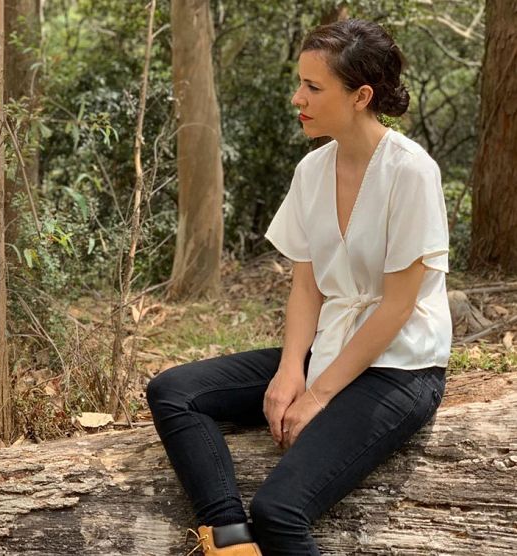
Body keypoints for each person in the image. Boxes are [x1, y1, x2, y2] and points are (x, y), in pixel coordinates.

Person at [147, 19, 450, 556]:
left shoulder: (411, 172)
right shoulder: (313, 170)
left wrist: (317, 395)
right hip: (329, 343)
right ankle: (231, 543)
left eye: (313, 87)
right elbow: (307, 286)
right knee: (176, 391)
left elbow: (398, 306)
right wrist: (291, 371)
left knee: (280, 511)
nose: (297, 98)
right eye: (300, 83)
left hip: (401, 367)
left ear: (361, 95)